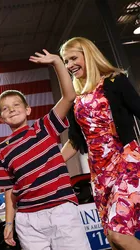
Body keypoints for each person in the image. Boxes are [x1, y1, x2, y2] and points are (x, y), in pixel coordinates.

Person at [0, 50, 91, 250]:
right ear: (1, 118)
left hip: (61, 210)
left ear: (28, 109)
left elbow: (69, 96)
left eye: (16, 104)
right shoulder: (2, 150)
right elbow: (10, 190)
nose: (11, 109)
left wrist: (57, 62)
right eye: (5, 108)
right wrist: (9, 223)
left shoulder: (44, 127)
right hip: (28, 220)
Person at [60, 37, 140, 250]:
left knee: (119, 234)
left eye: (73, 58)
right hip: (100, 173)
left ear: (88, 54)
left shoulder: (115, 82)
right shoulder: (75, 98)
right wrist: (49, 164)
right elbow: (75, 141)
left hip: (127, 164)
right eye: (65, 61)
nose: (69, 65)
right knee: (113, 241)